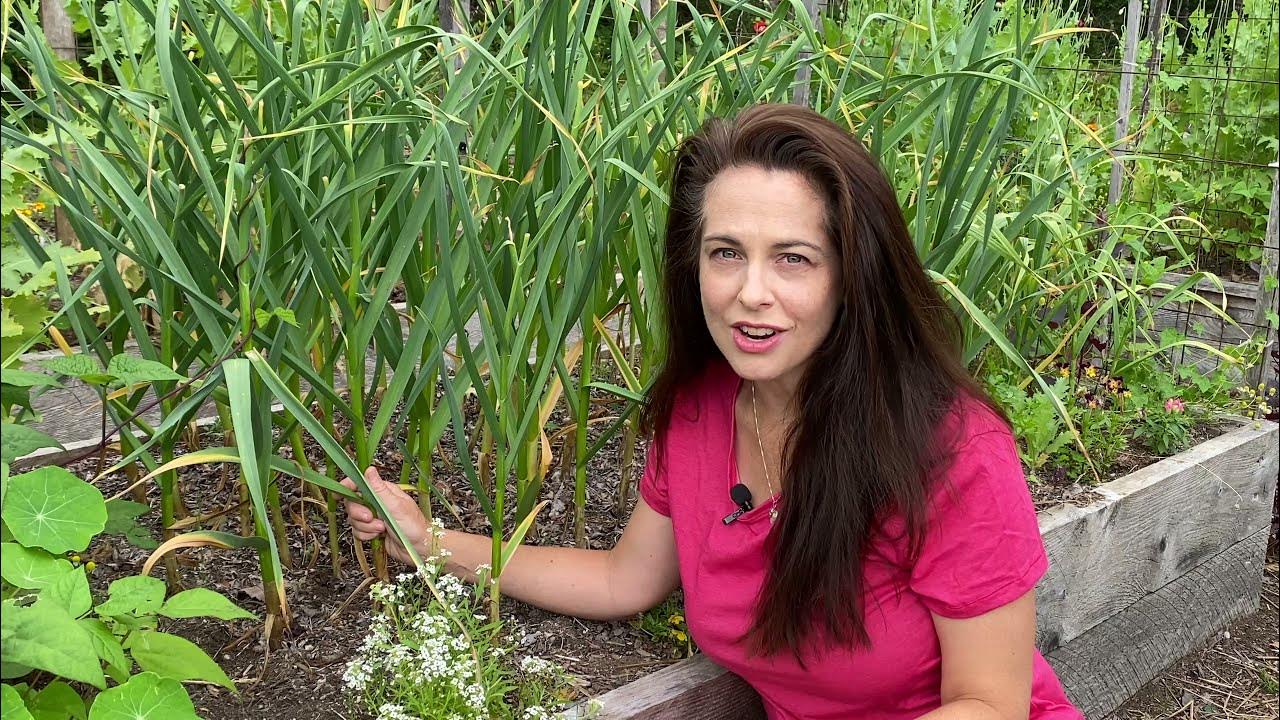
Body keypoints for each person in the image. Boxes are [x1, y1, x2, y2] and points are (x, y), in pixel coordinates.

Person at [342, 103, 1084, 719]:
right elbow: (622, 581)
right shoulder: (700, 412)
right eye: (726, 253)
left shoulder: (949, 450)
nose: (749, 292)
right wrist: (430, 541)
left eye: (793, 258)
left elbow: (990, 704)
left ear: (852, 276)